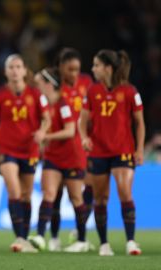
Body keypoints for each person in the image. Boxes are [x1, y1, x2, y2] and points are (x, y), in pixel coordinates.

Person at [0, 54, 51, 253]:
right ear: (5, 71)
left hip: (29, 149)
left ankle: (24, 236)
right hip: (5, 149)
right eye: (11, 67)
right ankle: (20, 237)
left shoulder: (36, 95)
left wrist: (43, 131)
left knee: (27, 195)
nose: (14, 70)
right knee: (14, 190)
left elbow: (46, 118)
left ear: (24, 70)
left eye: (18, 66)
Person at [79, 49, 145, 256]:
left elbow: (139, 123)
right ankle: (104, 244)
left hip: (123, 150)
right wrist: (84, 137)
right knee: (100, 199)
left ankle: (131, 241)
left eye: (96, 65)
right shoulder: (92, 91)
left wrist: (140, 149)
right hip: (98, 151)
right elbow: (82, 121)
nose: (93, 69)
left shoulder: (129, 91)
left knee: (125, 192)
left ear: (107, 68)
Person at [27, 67, 89, 253]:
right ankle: (40, 235)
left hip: (72, 156)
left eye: (39, 83)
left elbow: (71, 131)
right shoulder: (45, 106)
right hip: (53, 157)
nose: (37, 87)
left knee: (76, 198)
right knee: (49, 195)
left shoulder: (63, 104)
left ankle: (82, 240)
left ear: (48, 85)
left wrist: (46, 137)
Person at [49, 48, 94, 251]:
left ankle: (80, 232)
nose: (74, 74)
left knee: (89, 188)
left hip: (82, 145)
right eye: (70, 69)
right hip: (60, 146)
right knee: (56, 194)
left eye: (77, 69)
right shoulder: (56, 88)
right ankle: (55, 237)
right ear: (61, 68)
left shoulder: (87, 83)